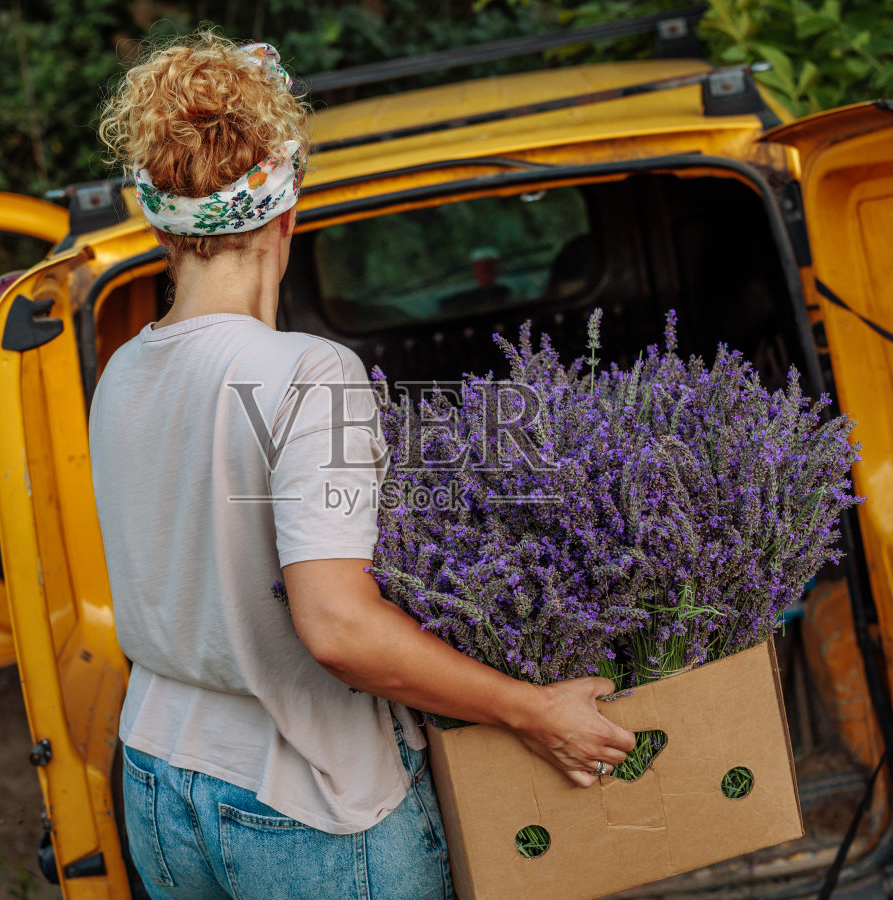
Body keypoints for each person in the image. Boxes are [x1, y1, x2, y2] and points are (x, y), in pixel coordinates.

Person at [91, 33, 636, 900]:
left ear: (160, 223)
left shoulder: (122, 371)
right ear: (286, 208)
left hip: (158, 781)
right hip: (301, 802)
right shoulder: (313, 373)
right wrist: (533, 711)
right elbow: (339, 629)